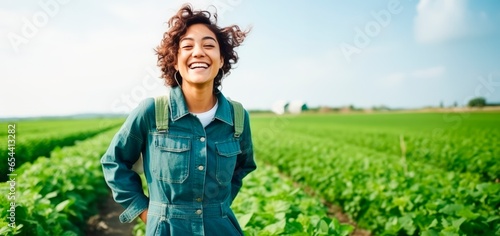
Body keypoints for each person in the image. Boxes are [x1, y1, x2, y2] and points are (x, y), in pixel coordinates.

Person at [100, 4, 256, 235]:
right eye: (187, 46)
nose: (199, 52)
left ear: (221, 60)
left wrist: (217, 206)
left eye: (209, 45)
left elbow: (243, 167)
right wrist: (146, 212)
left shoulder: (237, 117)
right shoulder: (152, 112)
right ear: (175, 60)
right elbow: (115, 163)